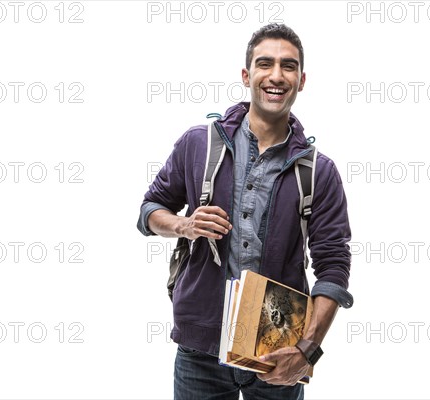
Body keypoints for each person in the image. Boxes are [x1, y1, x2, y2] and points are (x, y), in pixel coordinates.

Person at [137, 23, 353, 400]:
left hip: (278, 351)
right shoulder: (198, 144)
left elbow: (333, 266)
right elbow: (150, 210)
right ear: (246, 74)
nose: (276, 75)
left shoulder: (320, 172)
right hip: (198, 349)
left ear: (301, 80)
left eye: (288, 66)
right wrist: (184, 225)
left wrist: (306, 351)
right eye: (264, 63)